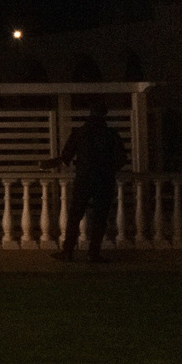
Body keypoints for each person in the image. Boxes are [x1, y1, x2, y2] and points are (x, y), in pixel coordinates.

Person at [45, 98, 127, 262]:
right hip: (104, 180)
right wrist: (108, 169)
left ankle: (68, 251)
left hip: (84, 179)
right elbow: (122, 159)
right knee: (100, 217)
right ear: (105, 115)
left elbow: (66, 156)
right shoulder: (111, 135)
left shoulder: (80, 132)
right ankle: (93, 253)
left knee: (75, 215)